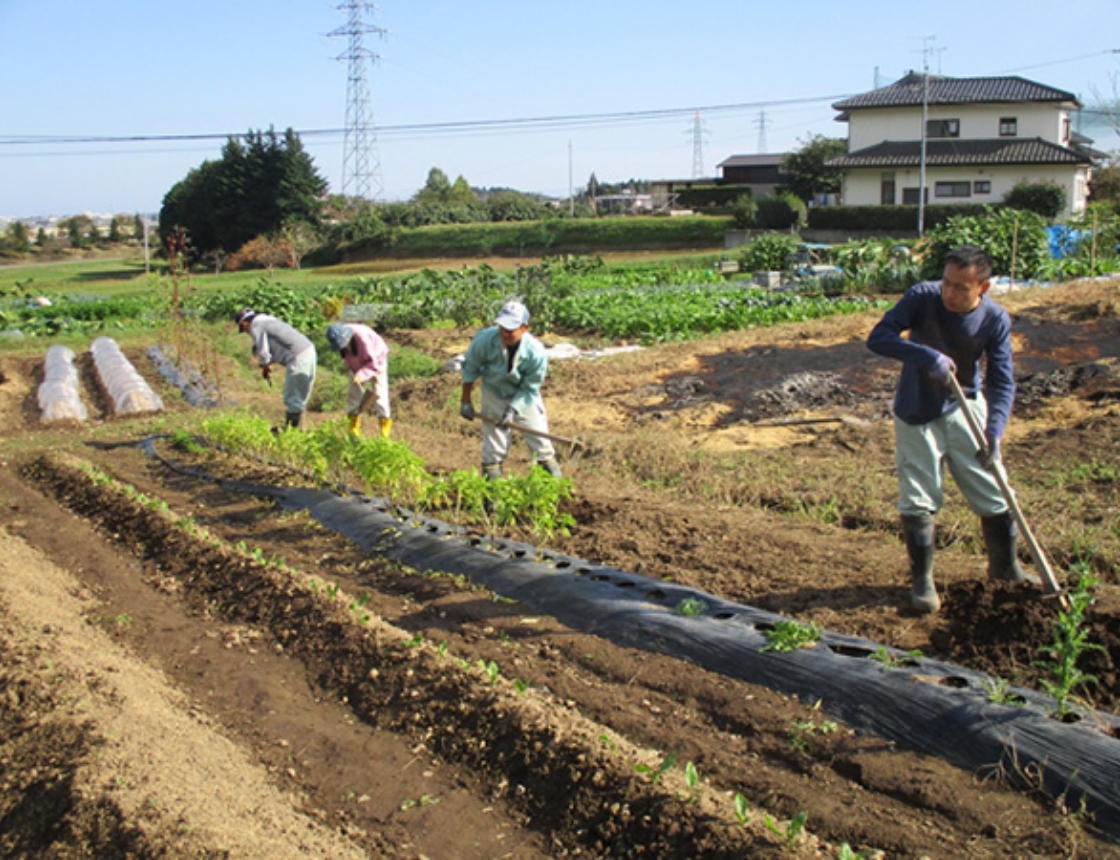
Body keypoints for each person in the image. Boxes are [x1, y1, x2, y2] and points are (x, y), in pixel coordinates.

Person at [866, 245, 1037, 614]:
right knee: (919, 496)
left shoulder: (995, 318)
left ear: (983, 288)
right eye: (947, 282)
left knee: (994, 485)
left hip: (965, 405)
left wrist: (994, 433)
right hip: (916, 408)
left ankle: (1005, 569)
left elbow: (1002, 382)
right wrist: (927, 356)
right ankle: (922, 581)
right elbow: (878, 338)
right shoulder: (922, 297)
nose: (949, 292)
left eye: (962, 287)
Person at [459, 300, 562, 479]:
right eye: (502, 328)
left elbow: (530, 387)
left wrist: (513, 409)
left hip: (523, 395)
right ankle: (492, 501)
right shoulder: (484, 341)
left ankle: (553, 495)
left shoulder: (536, 352)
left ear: (524, 328)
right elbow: (470, 370)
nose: (505, 333)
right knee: (493, 449)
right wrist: (466, 401)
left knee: (541, 444)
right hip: (494, 392)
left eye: (511, 329)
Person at [235, 308, 317, 430]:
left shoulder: (256, 325)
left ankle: (291, 433)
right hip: (308, 351)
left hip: (298, 357)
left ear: (244, 323)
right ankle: (300, 429)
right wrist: (270, 362)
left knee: (292, 397)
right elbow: (280, 344)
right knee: (300, 396)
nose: (247, 332)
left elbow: (263, 349)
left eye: (244, 329)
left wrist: (264, 364)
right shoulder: (267, 319)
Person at [325, 322, 392, 439]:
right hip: (357, 364)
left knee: (379, 394)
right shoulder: (343, 340)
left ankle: (384, 434)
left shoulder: (363, 339)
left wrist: (361, 375)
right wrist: (348, 365)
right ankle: (353, 432)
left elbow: (373, 364)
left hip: (377, 361)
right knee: (353, 394)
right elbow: (347, 355)